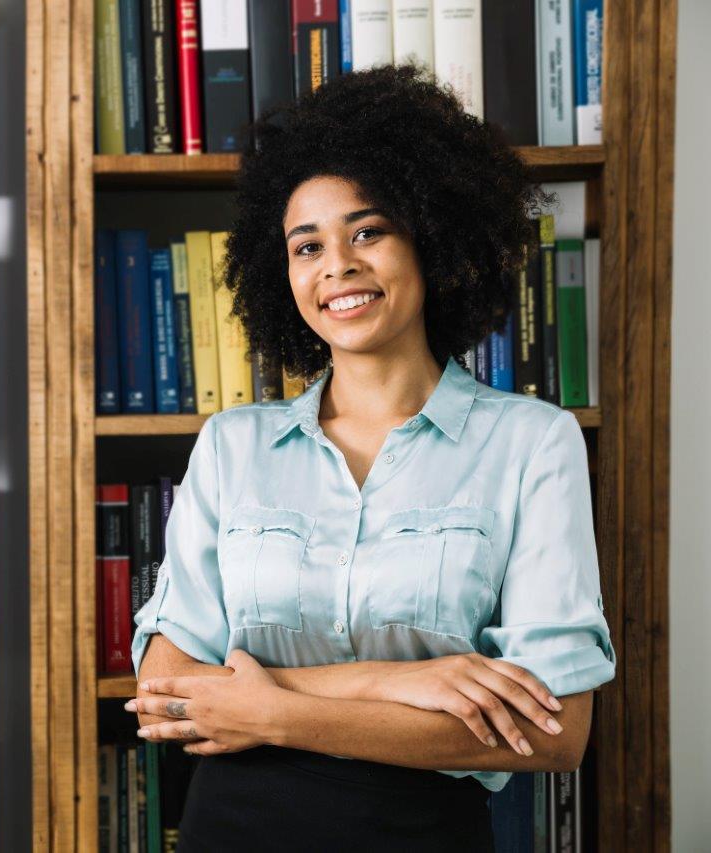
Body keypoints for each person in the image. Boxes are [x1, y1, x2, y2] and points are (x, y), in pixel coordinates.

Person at [125, 65, 616, 850]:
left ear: (430, 235)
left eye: (369, 231)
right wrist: (401, 679)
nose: (338, 265)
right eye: (306, 245)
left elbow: (554, 726)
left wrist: (273, 709)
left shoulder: (532, 442)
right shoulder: (233, 445)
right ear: (279, 272)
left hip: (424, 831)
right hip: (235, 828)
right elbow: (166, 693)